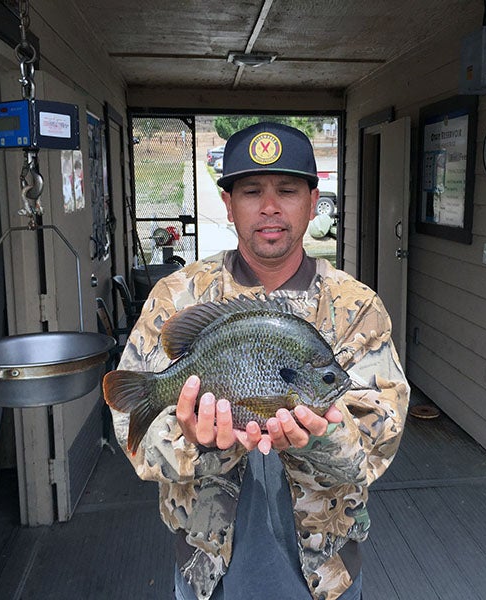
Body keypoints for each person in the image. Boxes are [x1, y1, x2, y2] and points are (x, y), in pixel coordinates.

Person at [110, 122, 409, 600]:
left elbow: (379, 442)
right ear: (229, 205)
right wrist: (191, 439)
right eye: (251, 191)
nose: (270, 207)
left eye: (287, 190)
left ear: (313, 202)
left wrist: (322, 435)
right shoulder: (177, 296)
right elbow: (134, 433)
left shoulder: (358, 308)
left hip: (325, 571)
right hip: (206, 569)